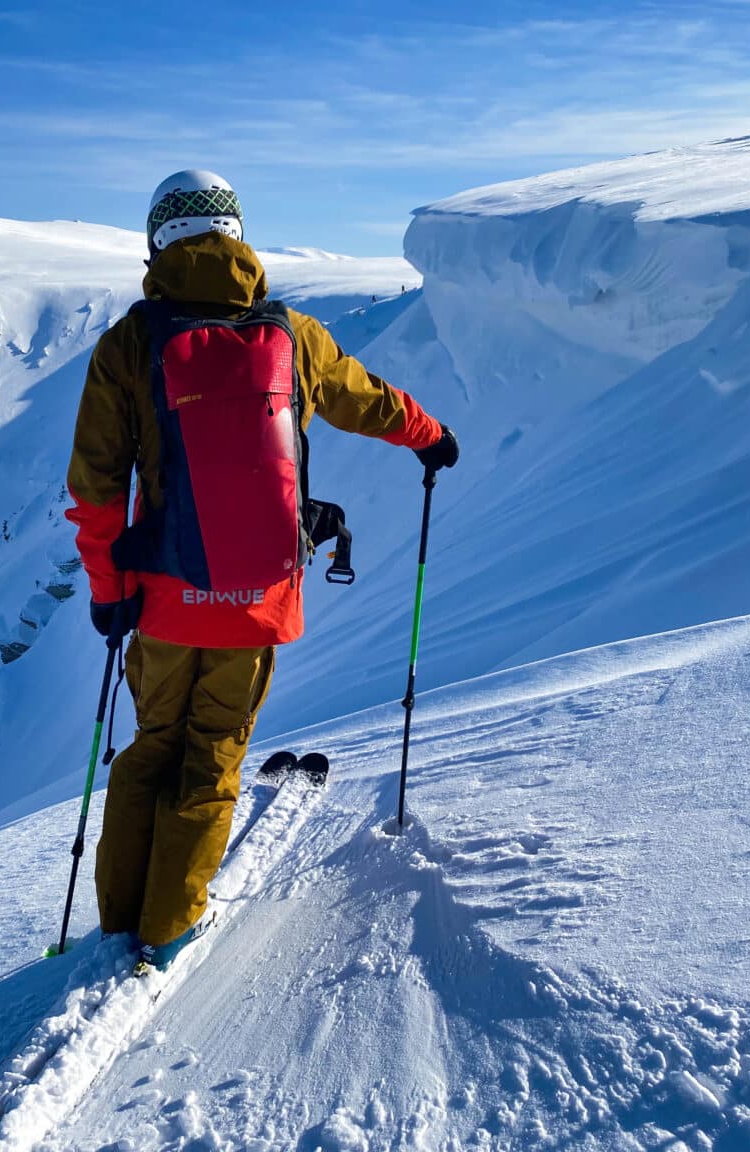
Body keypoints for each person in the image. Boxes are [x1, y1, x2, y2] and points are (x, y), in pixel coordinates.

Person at [65, 170, 458, 971]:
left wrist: (111, 595)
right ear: (237, 235)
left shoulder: (128, 345)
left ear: (156, 242)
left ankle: (119, 926)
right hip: (258, 600)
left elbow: (96, 490)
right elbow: (368, 400)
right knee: (211, 758)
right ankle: (169, 929)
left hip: (165, 599)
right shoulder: (295, 334)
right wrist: (431, 436)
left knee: (150, 750)